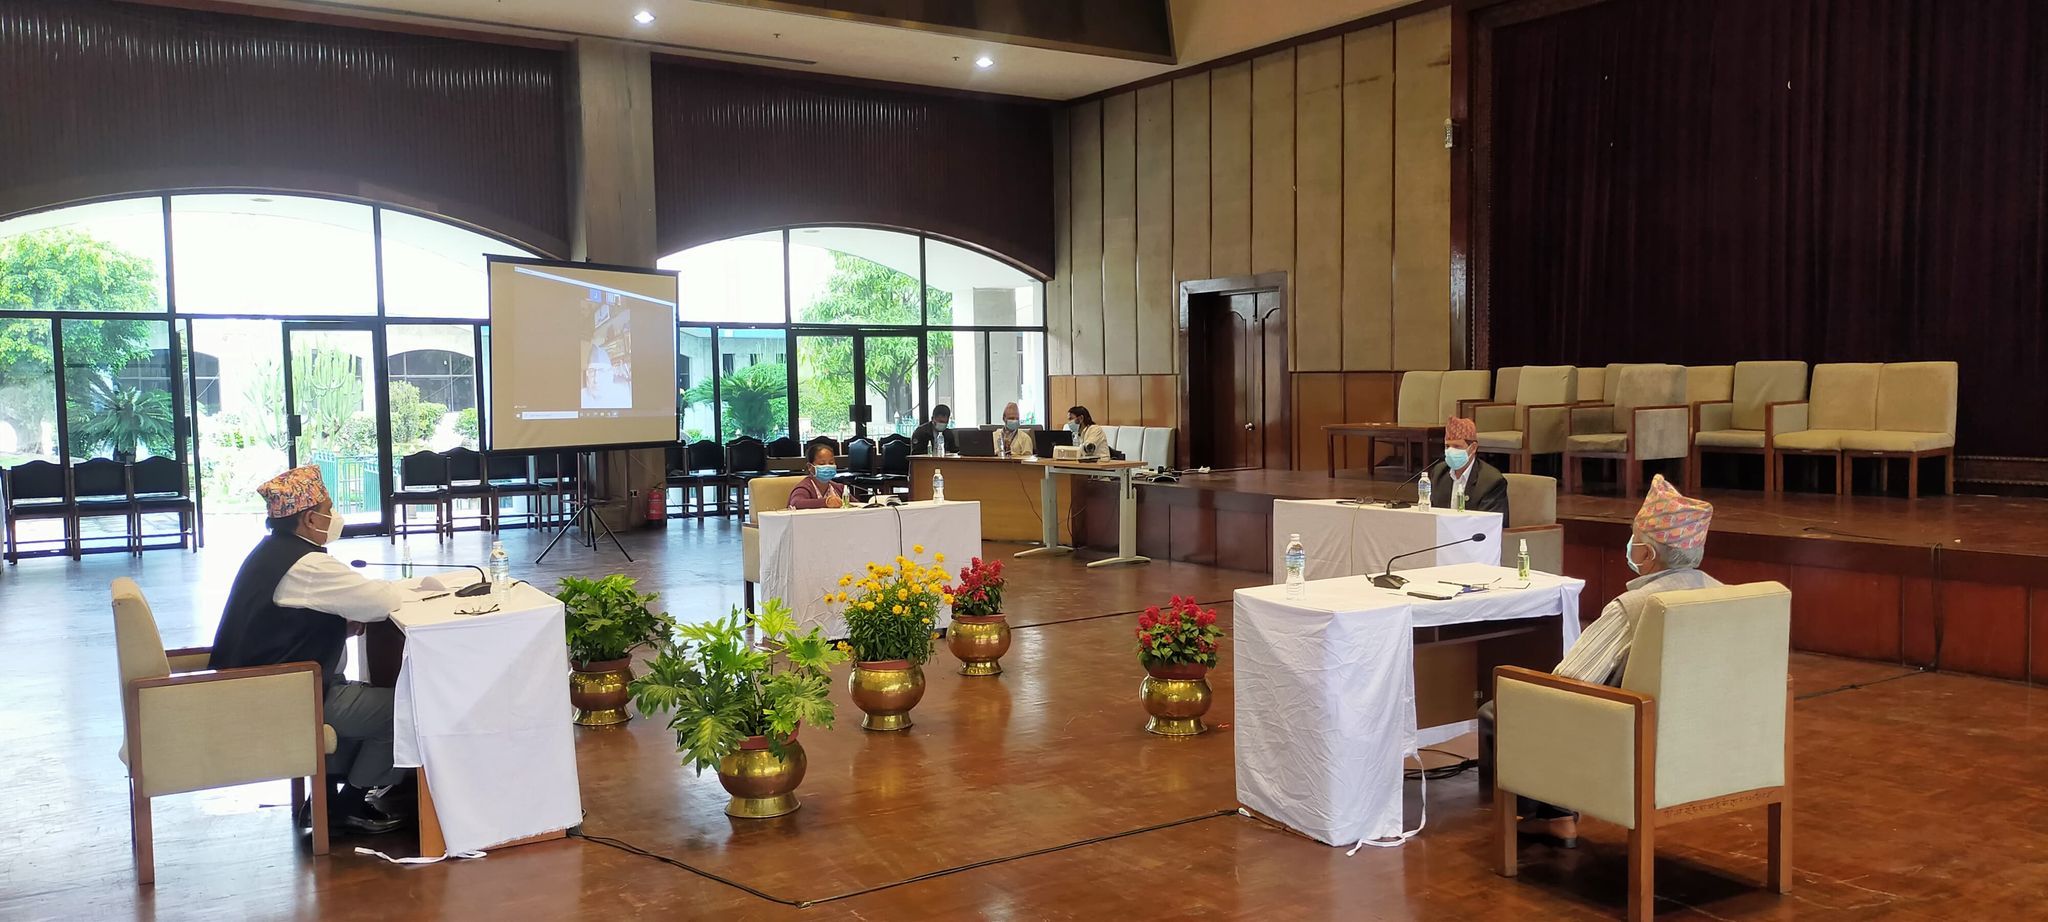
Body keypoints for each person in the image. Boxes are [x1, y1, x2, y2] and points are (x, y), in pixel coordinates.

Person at [1477, 474, 1719, 848]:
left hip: (1630, 738)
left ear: (1647, 554)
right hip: (1706, 736)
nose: (1630, 546)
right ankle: (1556, 816)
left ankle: (1550, 814)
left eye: (1635, 538)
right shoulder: (1726, 596)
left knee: (1502, 707)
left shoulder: (1635, 607)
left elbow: (1570, 678)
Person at [208, 465, 410, 835]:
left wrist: (336, 627)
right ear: (309, 518)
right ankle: (349, 805)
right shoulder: (308, 564)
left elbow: (284, 624)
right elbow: (381, 602)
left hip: (261, 689)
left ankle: (326, 801)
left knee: (367, 696)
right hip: (288, 697)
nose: (334, 517)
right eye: (328, 509)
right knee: (408, 709)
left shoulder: (271, 552)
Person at [1423, 416, 1510, 519]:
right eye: (1447, 446)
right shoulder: (1439, 473)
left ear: (1473, 448)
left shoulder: (1491, 481)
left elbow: (1490, 523)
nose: (1450, 451)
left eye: (1457, 446)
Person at [787, 442, 850, 509]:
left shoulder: (840, 488)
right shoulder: (804, 488)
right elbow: (795, 503)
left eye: (831, 463)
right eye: (822, 464)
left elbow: (856, 504)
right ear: (810, 467)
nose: (827, 466)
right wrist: (826, 502)